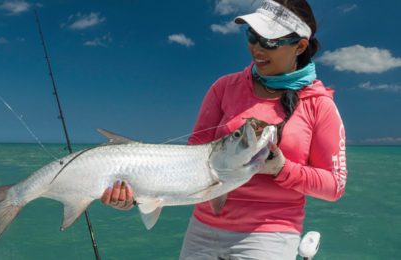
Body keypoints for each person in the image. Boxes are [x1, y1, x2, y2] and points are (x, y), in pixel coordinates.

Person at [101, 0, 348, 259]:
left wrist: (281, 170)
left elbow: (335, 186)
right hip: (203, 229)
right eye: (252, 36)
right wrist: (139, 193)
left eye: (269, 42)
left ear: (299, 46)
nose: (257, 48)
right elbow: (192, 160)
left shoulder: (319, 105)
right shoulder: (225, 88)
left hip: (271, 233)